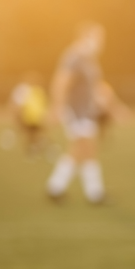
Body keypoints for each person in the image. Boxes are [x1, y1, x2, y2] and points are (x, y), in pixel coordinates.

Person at [46, 23, 108, 204]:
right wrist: (57, 107)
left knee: (85, 149)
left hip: (86, 112)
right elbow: (61, 81)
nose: (101, 42)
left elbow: (94, 86)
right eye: (98, 36)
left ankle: (86, 191)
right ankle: (60, 188)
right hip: (76, 111)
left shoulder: (89, 59)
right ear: (85, 36)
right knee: (83, 147)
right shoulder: (75, 56)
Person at [9, 71, 48, 155]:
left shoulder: (37, 90)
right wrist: (18, 115)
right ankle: (33, 149)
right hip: (29, 117)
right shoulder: (26, 90)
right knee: (31, 134)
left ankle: (35, 148)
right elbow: (20, 105)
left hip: (35, 117)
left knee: (36, 134)